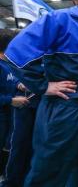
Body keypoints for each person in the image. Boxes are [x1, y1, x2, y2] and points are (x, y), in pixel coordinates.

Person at [5, 0, 78, 187]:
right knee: (49, 168)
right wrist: (45, 86)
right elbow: (16, 52)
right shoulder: (59, 19)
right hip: (66, 107)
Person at [0, 29, 29, 177]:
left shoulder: (8, 65)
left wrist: (19, 84)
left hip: (7, 120)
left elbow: (11, 80)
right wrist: (11, 100)